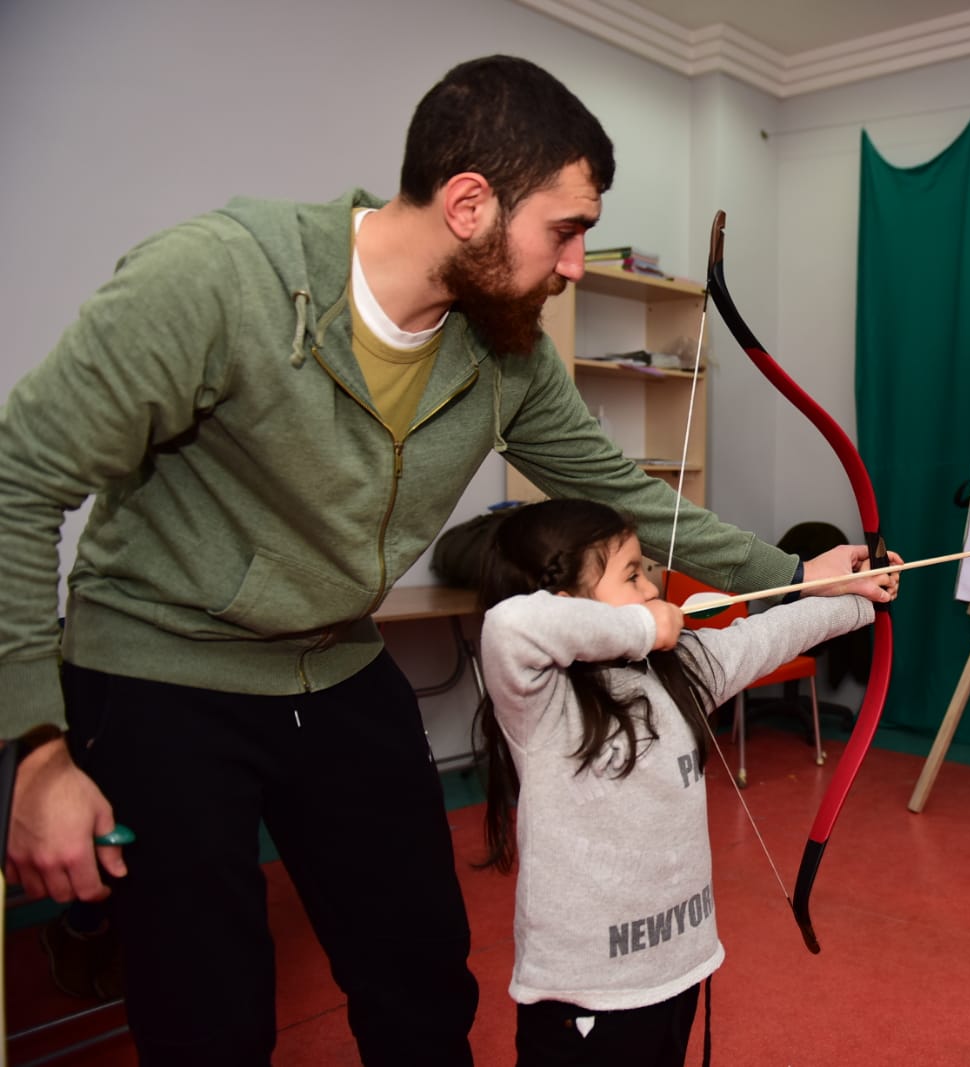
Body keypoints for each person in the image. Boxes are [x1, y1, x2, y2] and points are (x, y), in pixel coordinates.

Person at [0, 55, 892, 1065]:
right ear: (469, 204)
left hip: (334, 659)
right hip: (161, 668)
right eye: (564, 230)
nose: (573, 264)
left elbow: (626, 491)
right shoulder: (216, 279)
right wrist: (32, 746)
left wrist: (793, 569)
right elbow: (16, 479)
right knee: (208, 1017)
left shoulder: (506, 351)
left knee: (422, 977)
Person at [474, 499, 877, 1066]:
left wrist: (864, 598)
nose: (652, 586)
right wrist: (643, 626)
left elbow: (770, 634)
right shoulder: (542, 700)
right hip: (588, 991)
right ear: (565, 602)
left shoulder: (683, 668)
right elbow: (509, 625)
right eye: (631, 575)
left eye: (647, 569)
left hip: (679, 967)